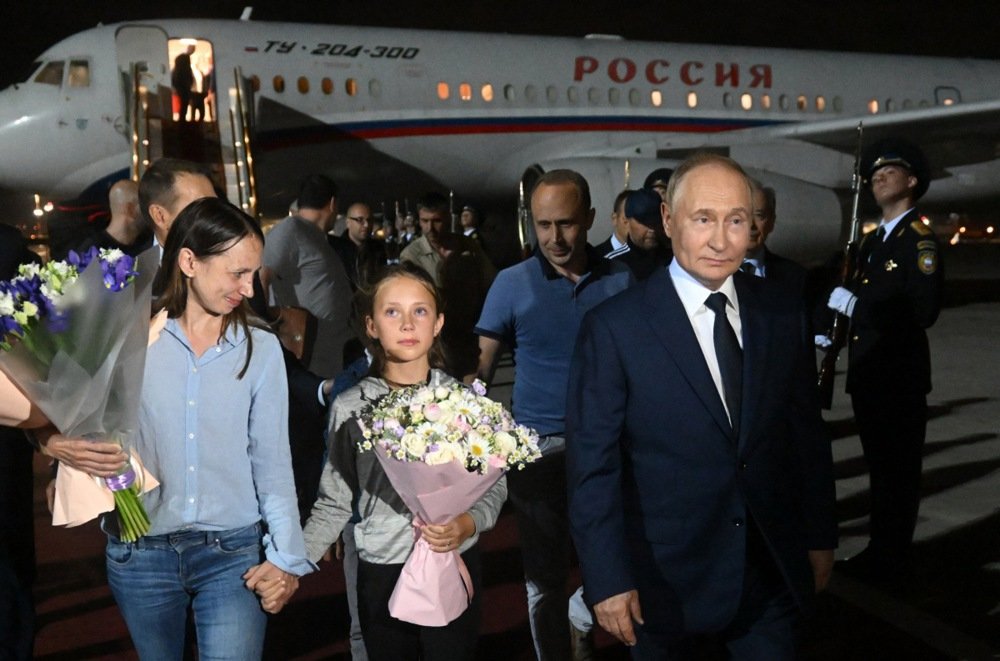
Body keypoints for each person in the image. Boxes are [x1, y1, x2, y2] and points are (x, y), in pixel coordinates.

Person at [567, 153, 837, 658]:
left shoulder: (780, 311)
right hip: (663, 585)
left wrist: (821, 535)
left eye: (736, 220)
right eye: (703, 219)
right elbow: (593, 466)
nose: (720, 240)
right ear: (669, 220)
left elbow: (806, 434)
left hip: (768, 575)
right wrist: (607, 577)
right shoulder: (615, 327)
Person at [103, 197, 313, 659]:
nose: (249, 288)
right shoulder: (131, 336)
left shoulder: (260, 348)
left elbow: (273, 464)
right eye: (237, 273)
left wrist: (286, 557)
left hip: (233, 554)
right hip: (141, 552)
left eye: (253, 274)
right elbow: (85, 424)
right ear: (189, 262)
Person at [303, 263, 507, 661]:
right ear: (372, 325)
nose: (408, 324)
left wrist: (467, 523)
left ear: (438, 323)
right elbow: (334, 501)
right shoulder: (351, 406)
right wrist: (291, 564)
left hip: (452, 557)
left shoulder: (462, 402)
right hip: (383, 566)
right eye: (392, 312)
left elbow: (494, 483)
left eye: (420, 311)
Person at [475, 169, 632, 660]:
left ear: (589, 219)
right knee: (544, 579)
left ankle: (581, 616)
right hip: (537, 451)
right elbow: (482, 367)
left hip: (610, 446)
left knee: (625, 559)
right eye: (543, 225)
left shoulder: (623, 280)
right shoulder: (510, 283)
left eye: (565, 223)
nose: (554, 238)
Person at [825, 138, 942, 586]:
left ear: (912, 182)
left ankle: (893, 561)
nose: (879, 178)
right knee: (880, 471)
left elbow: (923, 310)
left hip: (899, 378)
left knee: (898, 474)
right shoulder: (873, 242)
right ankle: (881, 552)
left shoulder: (919, 241)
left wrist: (858, 308)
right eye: (874, 174)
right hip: (869, 374)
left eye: (889, 171)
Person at [260, 174, 355, 378]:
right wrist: (270, 322)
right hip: (311, 359)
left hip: (334, 355)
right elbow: (261, 277)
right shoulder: (290, 229)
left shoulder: (316, 237)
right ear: (332, 203)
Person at [399, 192, 494, 288]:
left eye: (437, 221)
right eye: (425, 221)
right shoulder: (411, 255)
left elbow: (490, 280)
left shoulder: (469, 246)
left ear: (448, 219)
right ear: (419, 221)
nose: (430, 228)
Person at [742, 180, 807, 296]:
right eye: (743, 215)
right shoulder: (710, 271)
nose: (751, 225)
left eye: (759, 215)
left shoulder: (795, 277)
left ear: (772, 222)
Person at [76, 180, 151, 257]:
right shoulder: (90, 253)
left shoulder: (148, 240)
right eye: (145, 205)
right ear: (130, 210)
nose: (151, 211)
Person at [610, 187, 673, 281]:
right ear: (627, 221)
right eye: (645, 222)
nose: (652, 229)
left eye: (656, 222)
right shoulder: (613, 264)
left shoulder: (674, 258)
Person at [329, 201, 374, 289]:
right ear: (348, 223)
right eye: (360, 220)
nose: (366, 225)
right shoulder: (335, 250)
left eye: (369, 220)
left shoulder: (377, 249)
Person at [594, 189, 632, 259]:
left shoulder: (650, 256)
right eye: (629, 217)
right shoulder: (595, 257)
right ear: (614, 219)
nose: (635, 224)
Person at [171, 45, 196, 122]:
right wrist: (189, 83)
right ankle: (182, 121)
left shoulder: (176, 69)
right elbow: (187, 74)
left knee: (182, 105)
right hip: (184, 87)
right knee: (184, 104)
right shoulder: (185, 60)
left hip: (180, 86)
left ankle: (181, 120)